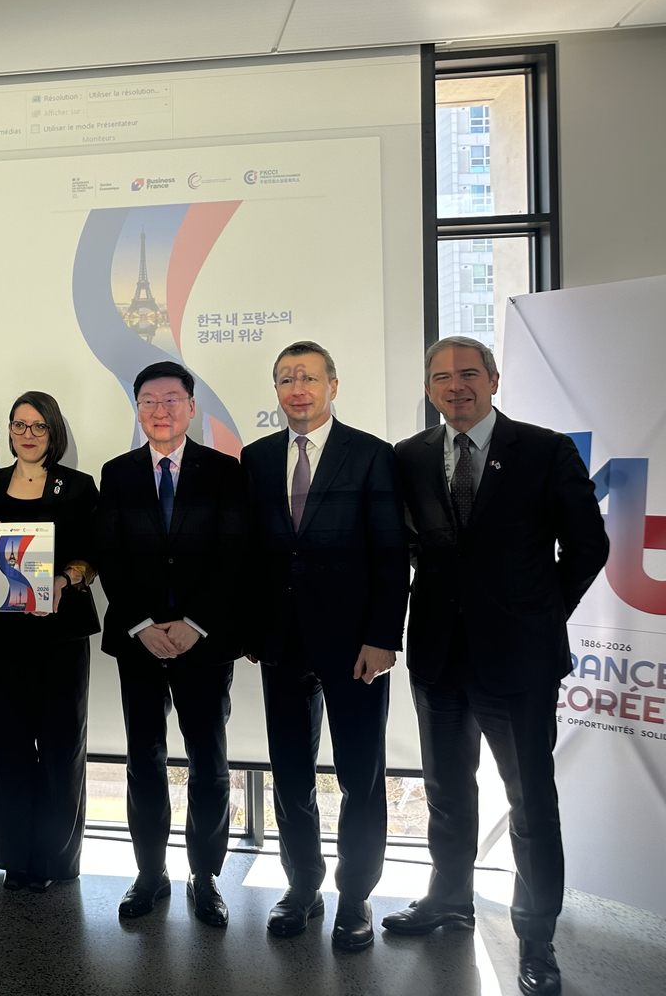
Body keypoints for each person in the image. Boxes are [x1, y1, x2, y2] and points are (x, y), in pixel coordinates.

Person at [384, 336, 608, 996]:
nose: (456, 385)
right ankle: (448, 899)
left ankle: (536, 937)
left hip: (520, 660)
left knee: (531, 800)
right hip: (437, 654)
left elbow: (589, 547)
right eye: (441, 377)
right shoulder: (409, 458)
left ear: (493, 379)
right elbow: (411, 547)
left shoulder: (544, 449)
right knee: (448, 793)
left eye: (468, 374)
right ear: (428, 388)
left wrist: (540, 615)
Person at [240, 340, 408, 951]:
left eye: (308, 377)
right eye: (285, 379)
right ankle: (303, 886)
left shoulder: (371, 455)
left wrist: (384, 637)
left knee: (359, 773)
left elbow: (392, 554)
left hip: (357, 646)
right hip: (281, 644)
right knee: (290, 773)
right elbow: (251, 556)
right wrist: (253, 629)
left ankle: (355, 894)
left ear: (333, 386)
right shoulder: (256, 459)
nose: (297, 388)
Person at [97, 362, 248, 923]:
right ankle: (149, 871)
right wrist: (140, 623)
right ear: (138, 409)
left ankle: (205, 875)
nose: (161, 411)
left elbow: (234, 556)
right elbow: (109, 553)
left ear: (191, 407)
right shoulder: (117, 473)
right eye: (149, 401)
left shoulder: (225, 471)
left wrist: (194, 624)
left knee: (208, 759)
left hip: (203, 643)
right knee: (144, 757)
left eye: (172, 400)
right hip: (139, 642)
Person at [0, 391, 99, 894]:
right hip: (0, 633)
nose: (26, 434)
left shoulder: (80, 487)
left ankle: (54, 859)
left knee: (62, 746)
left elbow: (92, 556)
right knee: (4, 747)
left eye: (37, 426)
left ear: (53, 432)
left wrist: (64, 579)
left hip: (59, 633)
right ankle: (14, 858)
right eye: (18, 425)